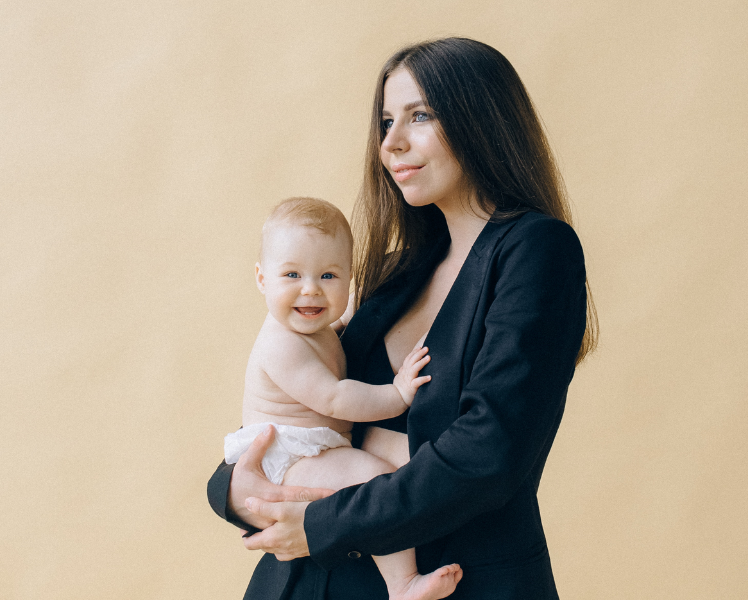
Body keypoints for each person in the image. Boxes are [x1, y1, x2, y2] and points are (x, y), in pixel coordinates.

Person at [208, 37, 598, 600]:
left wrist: (321, 523)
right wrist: (231, 491)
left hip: (461, 582)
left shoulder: (536, 249)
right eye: (386, 121)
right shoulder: (397, 268)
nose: (391, 142)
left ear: (480, 119)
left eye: (420, 116)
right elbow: (299, 411)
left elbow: (489, 454)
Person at [224, 196, 462, 600]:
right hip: (291, 459)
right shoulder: (281, 345)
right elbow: (334, 399)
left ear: (349, 278)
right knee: (374, 482)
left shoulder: (316, 328)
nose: (311, 290)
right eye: (292, 274)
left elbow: (338, 332)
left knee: (377, 483)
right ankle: (402, 584)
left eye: (328, 276)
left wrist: (352, 317)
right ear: (262, 279)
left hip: (312, 450)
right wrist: (398, 393)